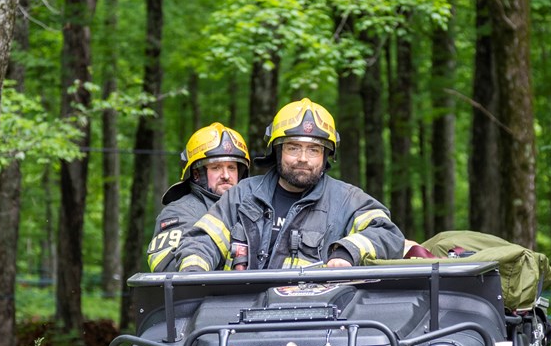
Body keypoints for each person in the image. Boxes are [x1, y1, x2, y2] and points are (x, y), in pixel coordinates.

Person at [177, 98, 404, 271]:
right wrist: (193, 272)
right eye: (293, 148)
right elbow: (202, 240)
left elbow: (388, 234)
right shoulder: (242, 195)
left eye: (313, 149)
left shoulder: (347, 200)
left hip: (315, 314)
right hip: (240, 311)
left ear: (326, 156)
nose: (303, 158)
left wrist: (346, 252)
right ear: (277, 151)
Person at [147, 123, 251, 272]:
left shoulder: (254, 208)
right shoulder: (178, 213)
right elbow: (168, 267)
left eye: (231, 168)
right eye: (216, 167)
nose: (226, 175)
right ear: (197, 174)